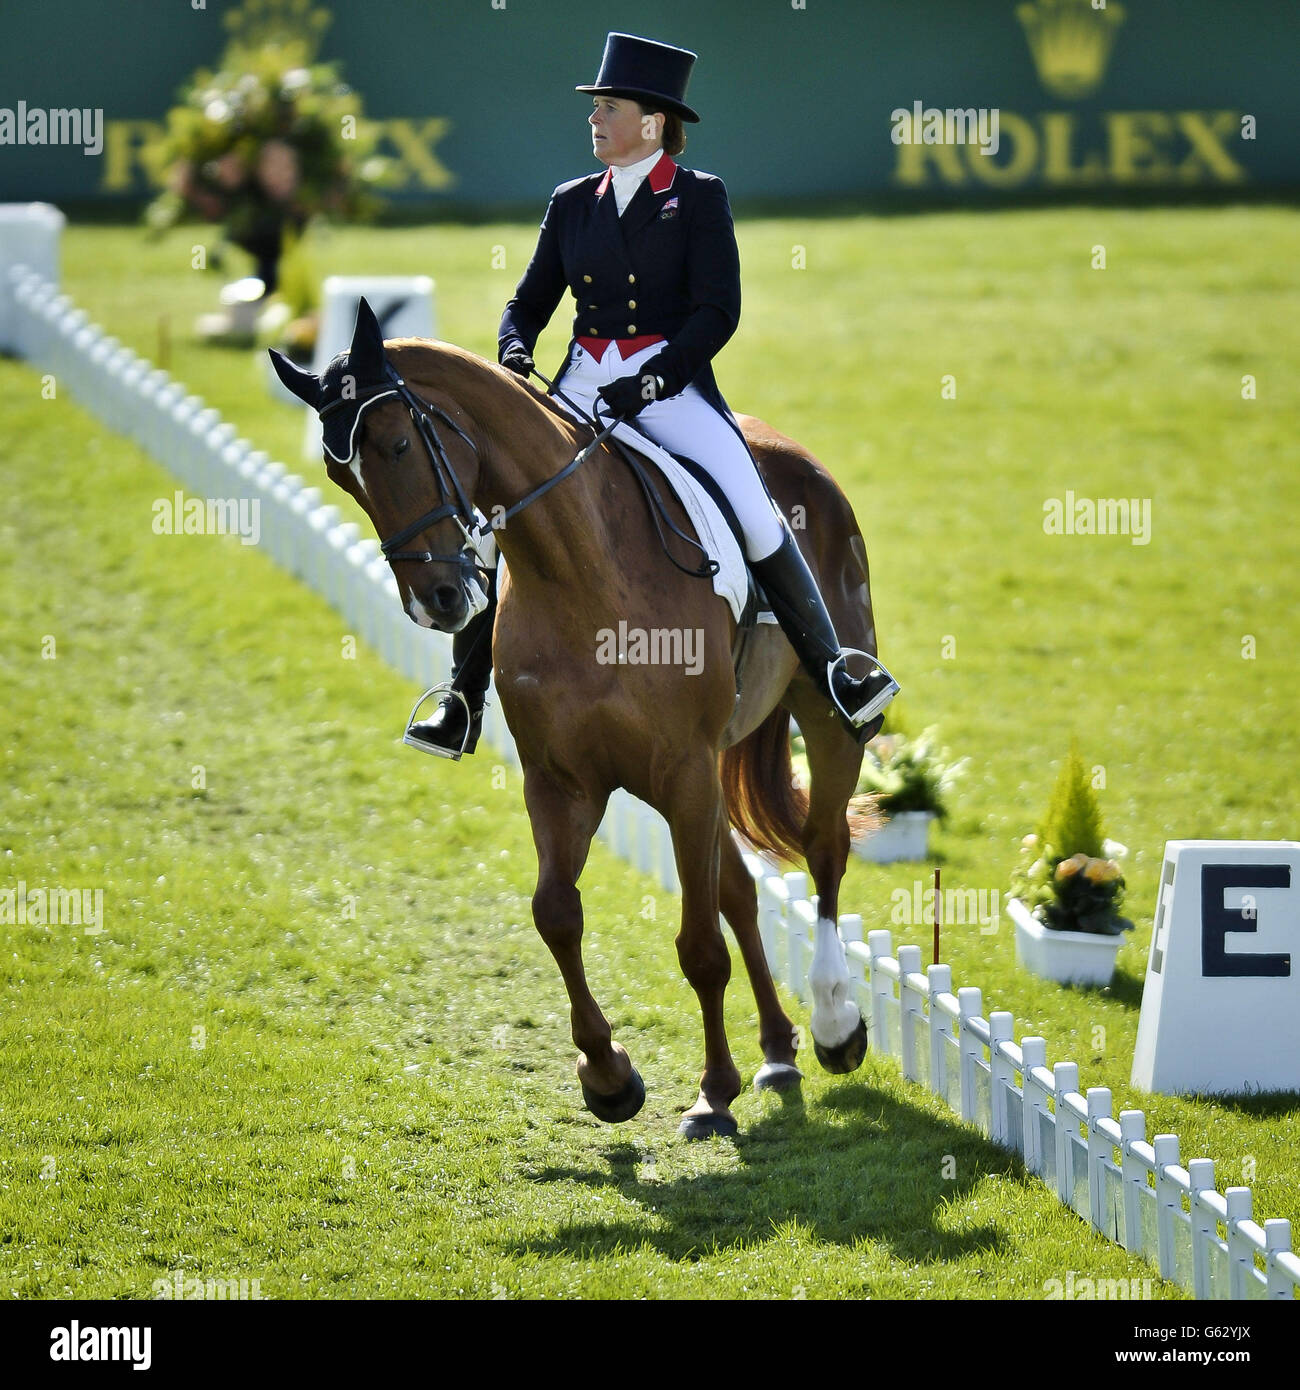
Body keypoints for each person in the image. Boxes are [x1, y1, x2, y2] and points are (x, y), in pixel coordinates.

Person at [408, 31, 899, 758]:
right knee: (494, 513)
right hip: (578, 385)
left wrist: (660, 375)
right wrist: (515, 347)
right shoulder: (573, 202)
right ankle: (461, 697)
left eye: (609, 107)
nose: (594, 119)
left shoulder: (698, 199)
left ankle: (836, 668)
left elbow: (717, 310)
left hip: (670, 388)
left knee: (753, 505)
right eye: (595, 107)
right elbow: (530, 300)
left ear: (654, 122)